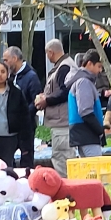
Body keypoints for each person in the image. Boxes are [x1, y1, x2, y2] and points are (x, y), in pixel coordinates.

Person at [36, 39, 77, 174]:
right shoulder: (67, 65)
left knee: (61, 159)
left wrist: (46, 100)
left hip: (62, 123)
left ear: (50, 52)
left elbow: (65, 92)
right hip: (64, 122)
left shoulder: (64, 67)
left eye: (47, 54)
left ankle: (66, 192)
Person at [2, 47, 41, 169]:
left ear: (14, 59)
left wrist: (21, 115)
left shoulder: (31, 77)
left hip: (26, 127)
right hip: (9, 127)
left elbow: (36, 102)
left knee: (26, 159)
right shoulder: (9, 78)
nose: (4, 63)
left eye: (6, 60)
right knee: (7, 158)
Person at [66, 50, 106, 158]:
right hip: (87, 135)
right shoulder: (84, 82)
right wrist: (99, 130)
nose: (100, 70)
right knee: (95, 171)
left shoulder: (81, 81)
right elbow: (85, 111)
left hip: (82, 134)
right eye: (99, 66)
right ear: (89, 64)